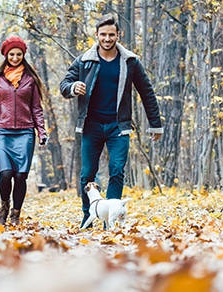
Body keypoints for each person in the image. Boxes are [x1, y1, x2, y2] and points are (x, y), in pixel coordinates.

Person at [60, 14, 163, 228]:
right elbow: (64, 84)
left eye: (111, 35)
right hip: (91, 125)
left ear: (118, 35)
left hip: (119, 126)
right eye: (103, 35)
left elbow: (147, 92)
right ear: (96, 35)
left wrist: (155, 124)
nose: (107, 38)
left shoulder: (130, 61)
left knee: (117, 170)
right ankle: (88, 216)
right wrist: (72, 88)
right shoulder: (84, 60)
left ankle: (110, 219)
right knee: (87, 173)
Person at [0, 36, 48, 226]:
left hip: (25, 133)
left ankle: (16, 214)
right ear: (6, 55)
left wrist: (41, 132)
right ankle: (4, 206)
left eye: (19, 54)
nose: (15, 58)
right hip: (2, 133)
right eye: (12, 54)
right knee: (6, 174)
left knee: (20, 176)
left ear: (23, 55)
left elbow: (36, 108)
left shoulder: (30, 80)